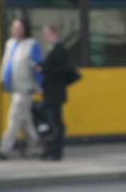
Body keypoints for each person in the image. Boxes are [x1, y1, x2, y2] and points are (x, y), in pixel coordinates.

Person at [0, 18, 43, 160]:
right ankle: (35, 146)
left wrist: (40, 85)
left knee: (14, 117)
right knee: (25, 120)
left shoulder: (32, 45)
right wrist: (2, 80)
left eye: (19, 27)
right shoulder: (10, 43)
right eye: (14, 27)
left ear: (25, 29)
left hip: (26, 88)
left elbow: (37, 67)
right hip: (13, 88)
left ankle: (4, 148)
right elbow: (6, 63)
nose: (16, 30)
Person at [40, 25, 72, 161]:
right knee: (52, 121)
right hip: (51, 91)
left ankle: (56, 151)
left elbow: (60, 70)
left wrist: (43, 68)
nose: (45, 37)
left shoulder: (59, 49)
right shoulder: (52, 49)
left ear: (55, 34)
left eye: (47, 34)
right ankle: (52, 150)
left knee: (55, 123)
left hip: (55, 92)